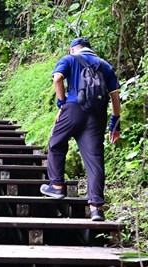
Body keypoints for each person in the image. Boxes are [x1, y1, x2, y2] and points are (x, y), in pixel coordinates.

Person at [40, 38, 121, 221]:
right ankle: (96, 208)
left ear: (72, 50)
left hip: (73, 109)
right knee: (94, 159)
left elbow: (58, 79)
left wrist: (62, 104)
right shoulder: (105, 65)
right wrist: (115, 124)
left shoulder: (69, 59)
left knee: (56, 143)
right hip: (97, 115)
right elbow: (115, 97)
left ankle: (57, 187)